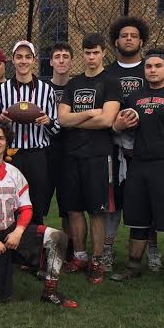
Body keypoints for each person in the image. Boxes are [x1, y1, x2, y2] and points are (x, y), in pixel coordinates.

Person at [0, 119, 77, 308]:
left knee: (58, 238)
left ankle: (50, 291)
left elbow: (26, 207)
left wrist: (18, 231)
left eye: (1, 138)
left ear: (7, 142)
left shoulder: (15, 173)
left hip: (10, 233)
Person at [111, 49, 164, 289]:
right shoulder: (135, 97)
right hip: (138, 165)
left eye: (158, 66)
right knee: (137, 220)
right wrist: (117, 125)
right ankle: (133, 266)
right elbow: (121, 129)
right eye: (148, 67)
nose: (152, 70)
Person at [57, 33, 121, 285]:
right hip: (72, 154)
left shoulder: (111, 82)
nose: (91, 57)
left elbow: (107, 120)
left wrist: (79, 117)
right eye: (87, 52)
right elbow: (62, 120)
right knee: (73, 208)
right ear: (82, 54)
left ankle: (96, 260)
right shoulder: (74, 83)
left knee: (97, 210)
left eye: (95, 52)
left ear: (103, 52)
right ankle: (80, 255)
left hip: (98, 155)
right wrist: (92, 113)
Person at [104, 16, 158, 273]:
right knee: (113, 199)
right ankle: (107, 248)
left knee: (149, 199)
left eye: (133, 36)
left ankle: (152, 248)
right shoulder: (107, 73)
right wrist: (117, 124)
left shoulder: (150, 69)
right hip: (114, 146)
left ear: (142, 41)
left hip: (146, 146)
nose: (128, 39)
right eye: (124, 35)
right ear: (116, 40)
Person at [0, 40, 59, 224]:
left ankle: (34, 251)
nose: (23, 61)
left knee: (35, 205)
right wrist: (1, 122)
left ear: (34, 60)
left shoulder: (47, 90)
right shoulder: (1, 91)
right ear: (12, 60)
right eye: (19, 57)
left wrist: (47, 122)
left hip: (37, 154)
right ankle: (10, 248)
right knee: (10, 203)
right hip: (12, 154)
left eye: (28, 57)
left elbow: (57, 127)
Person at [46, 42, 74, 245]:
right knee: (38, 203)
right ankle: (35, 247)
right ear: (51, 61)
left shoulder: (79, 86)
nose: (61, 60)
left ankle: (70, 249)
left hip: (71, 150)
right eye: (57, 56)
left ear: (72, 61)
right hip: (46, 150)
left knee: (69, 207)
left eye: (65, 56)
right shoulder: (42, 87)